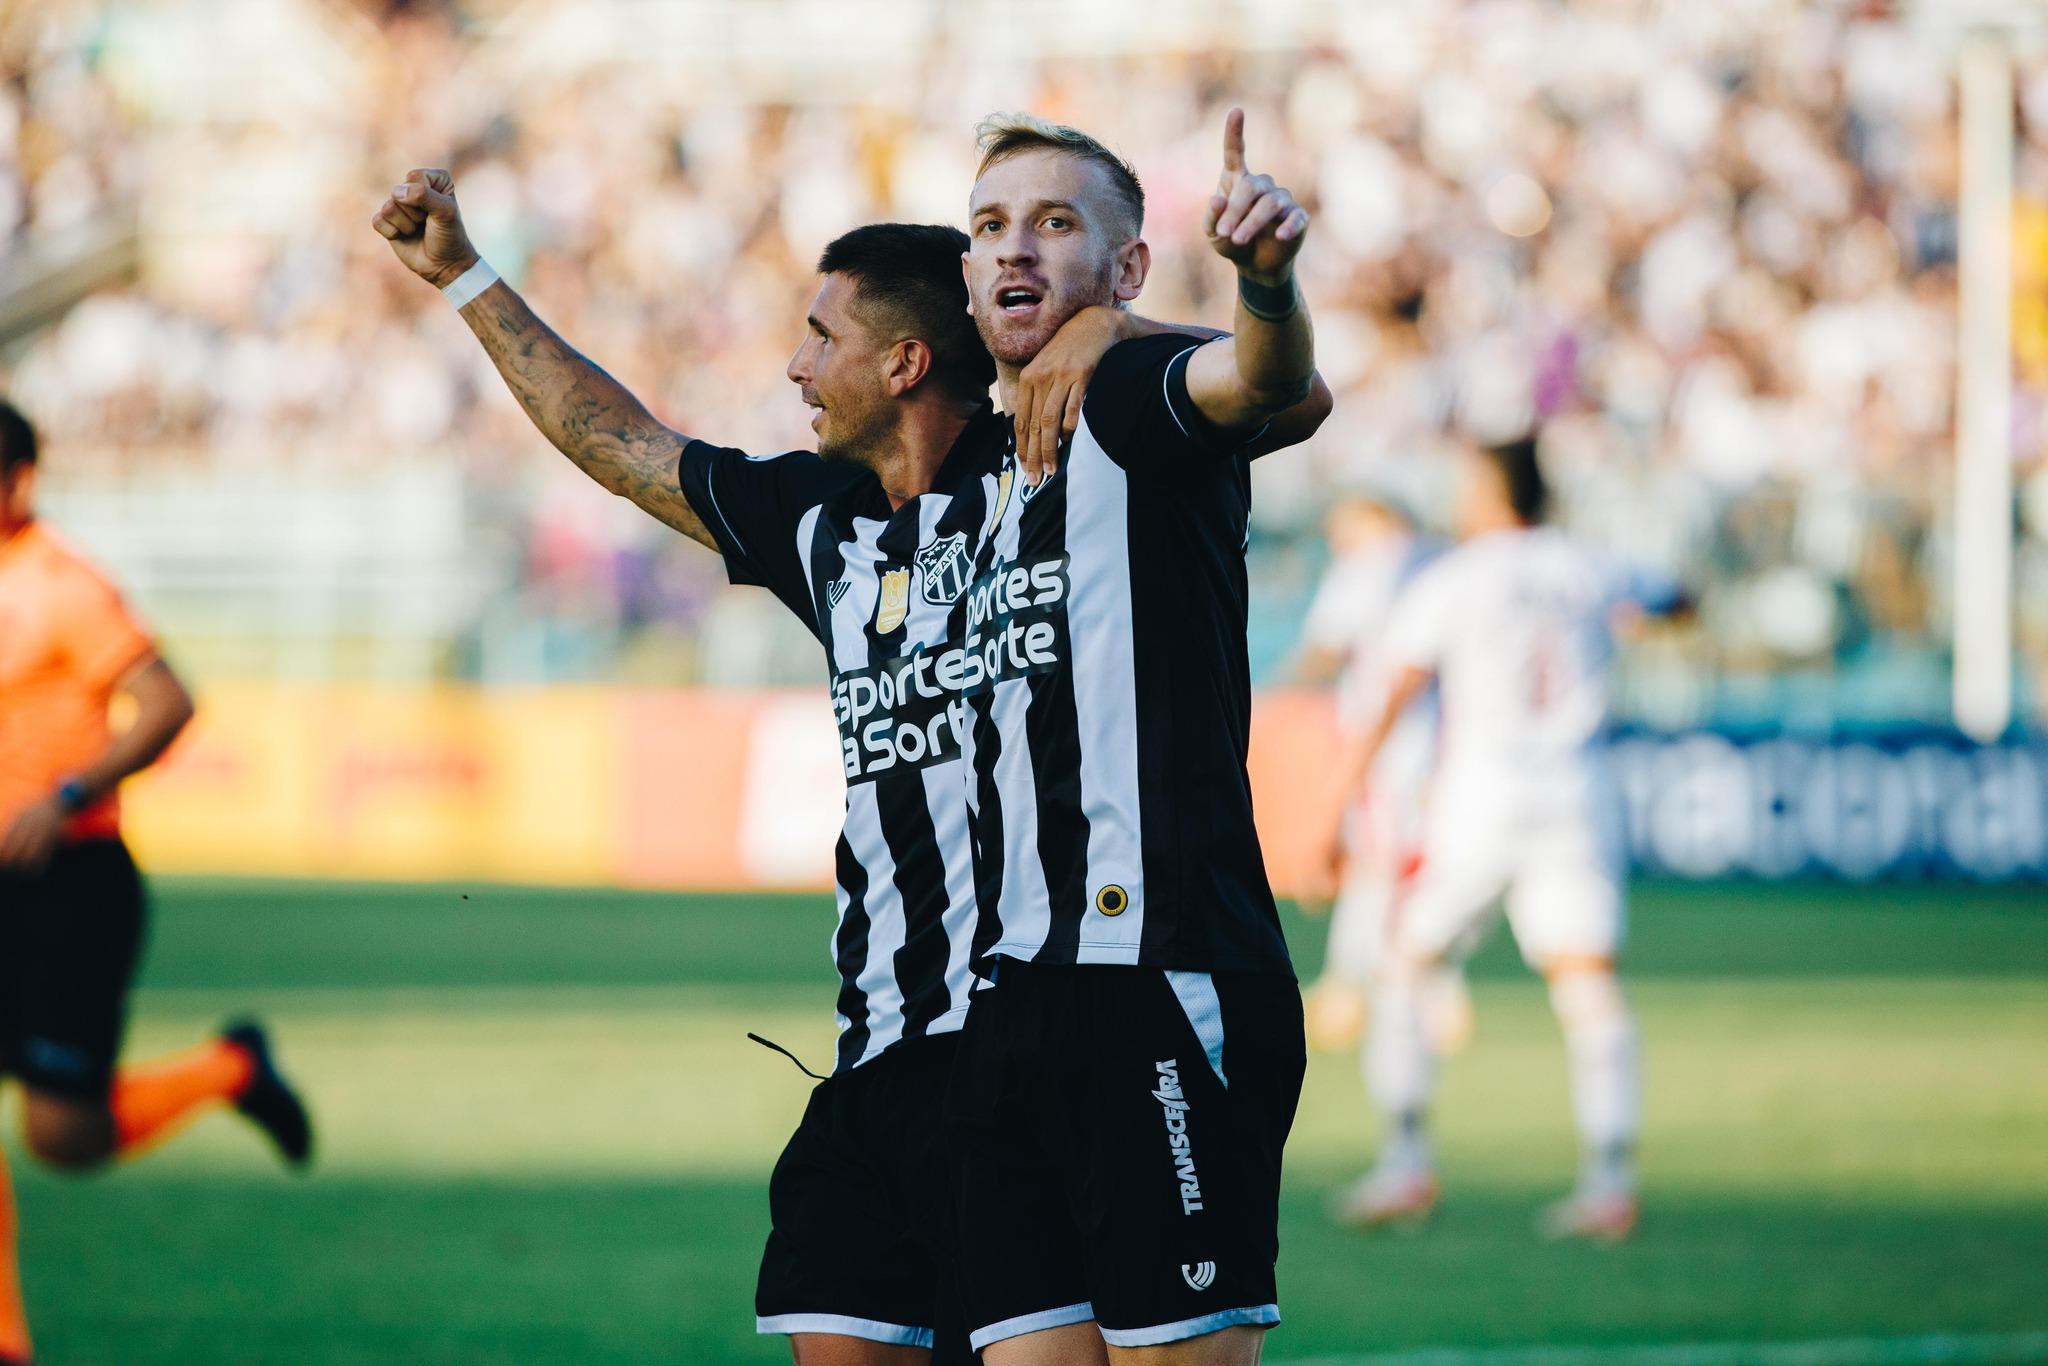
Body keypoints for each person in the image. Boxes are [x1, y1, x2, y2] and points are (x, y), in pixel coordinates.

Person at [372, 166, 1326, 1364]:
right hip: (882, 1053)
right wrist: (466, 276)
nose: (793, 367)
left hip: (1048, 1017)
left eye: (819, 337)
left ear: (905, 364)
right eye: (989, 229)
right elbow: (623, 447)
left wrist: (1119, 323)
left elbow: (1272, 397)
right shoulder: (819, 518)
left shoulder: (1052, 452)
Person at [944, 108, 1323, 1364]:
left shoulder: (1134, 396)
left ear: (1125, 267)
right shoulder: (968, 471)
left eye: (1057, 224)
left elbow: (1275, 383)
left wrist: (1261, 282)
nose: (1018, 249)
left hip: (1162, 978)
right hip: (1010, 1007)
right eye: (991, 225)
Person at [0, 399, 313, 1366]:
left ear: (18, 483)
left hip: (69, 883)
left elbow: (169, 700)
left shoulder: (62, 583)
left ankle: (231, 1068)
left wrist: (64, 794)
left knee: (65, 1138)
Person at [1318, 434, 1685, 1241]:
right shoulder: (1590, 567)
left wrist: (1336, 803)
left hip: (1481, 801)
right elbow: (1677, 597)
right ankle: (1610, 1181)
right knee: (1588, 984)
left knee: (1407, 962)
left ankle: (1405, 1162)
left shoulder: (1457, 578)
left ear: (1491, 492)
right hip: (1577, 796)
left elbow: (1393, 693)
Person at [1291, 492, 1470, 1071]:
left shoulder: (1368, 566)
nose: (1337, 536)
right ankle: (1424, 987)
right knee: (1410, 864)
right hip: (1443, 739)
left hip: (1387, 741)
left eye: (1343, 523)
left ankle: (1388, 989)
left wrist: (1267, 689)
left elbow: (1325, 648)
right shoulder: (1442, 562)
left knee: (1379, 865)